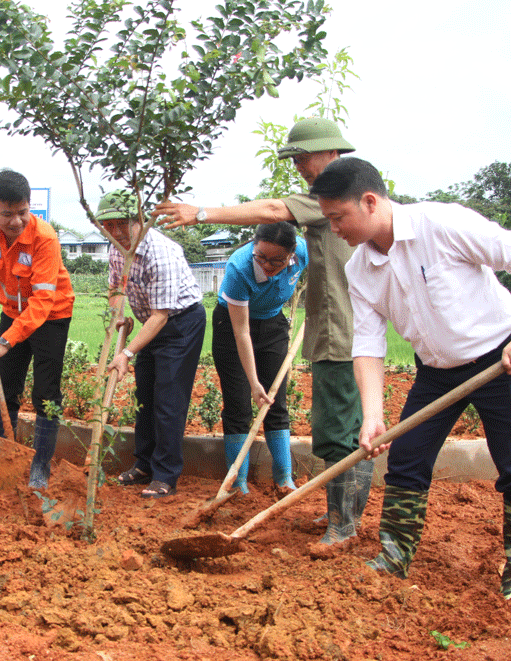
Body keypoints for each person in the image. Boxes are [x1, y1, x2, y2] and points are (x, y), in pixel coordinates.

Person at [310, 156, 511, 607]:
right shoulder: (359, 269)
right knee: (406, 462)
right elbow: (368, 343)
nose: (335, 228)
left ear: (370, 202)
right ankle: (393, 557)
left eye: (338, 217)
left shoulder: (441, 224)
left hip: (503, 361)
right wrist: (373, 416)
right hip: (436, 372)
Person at [154, 118, 370, 547]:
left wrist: (200, 214)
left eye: (305, 158)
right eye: (295, 160)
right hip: (320, 332)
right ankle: (334, 515)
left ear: (331, 153)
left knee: (340, 430)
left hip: (342, 336)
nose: (301, 167)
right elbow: (241, 331)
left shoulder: (332, 199)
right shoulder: (242, 266)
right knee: (330, 429)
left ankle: (343, 524)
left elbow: (274, 211)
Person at [0, 170, 74, 490]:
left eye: (23, 212)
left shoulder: (44, 238)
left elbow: (41, 302)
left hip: (51, 315)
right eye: (7, 214)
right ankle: (1, 456)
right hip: (12, 312)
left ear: (30, 207)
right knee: (3, 388)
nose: (16, 221)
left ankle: (40, 466)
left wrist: (5, 341)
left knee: (45, 393)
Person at [99, 191, 206, 499]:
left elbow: (161, 316)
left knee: (168, 400)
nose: (116, 232)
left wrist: (127, 353)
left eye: (123, 224)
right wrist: (118, 317)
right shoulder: (116, 249)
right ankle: (144, 464)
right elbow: (115, 288)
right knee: (144, 396)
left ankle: (165, 475)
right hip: (149, 323)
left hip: (179, 324)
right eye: (109, 226)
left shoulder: (161, 252)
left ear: (141, 221)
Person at [212, 222, 308, 497]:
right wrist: (254, 382)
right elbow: (242, 333)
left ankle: (284, 478)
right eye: (261, 257)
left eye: (276, 260)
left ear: (291, 255)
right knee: (239, 404)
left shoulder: (302, 251)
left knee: (276, 400)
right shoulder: (239, 268)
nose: (267, 265)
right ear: (254, 248)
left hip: (273, 324)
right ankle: (238, 483)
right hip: (232, 329)